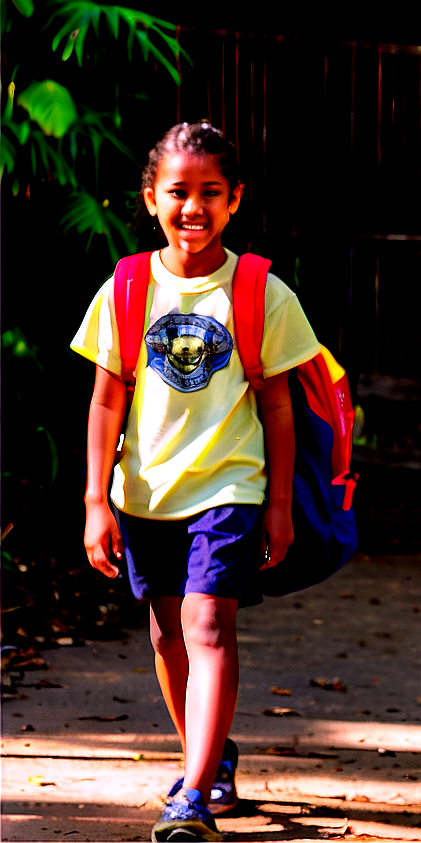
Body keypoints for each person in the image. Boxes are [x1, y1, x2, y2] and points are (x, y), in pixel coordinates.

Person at [72, 122, 320, 842]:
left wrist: (278, 505)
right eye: (178, 192)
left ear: (235, 199)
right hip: (144, 492)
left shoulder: (259, 292)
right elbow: (106, 401)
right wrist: (95, 501)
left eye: (211, 192)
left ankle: (193, 799)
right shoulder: (125, 288)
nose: (193, 207)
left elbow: (278, 404)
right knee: (165, 636)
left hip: (230, 489)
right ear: (151, 198)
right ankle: (207, 757)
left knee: (208, 625)